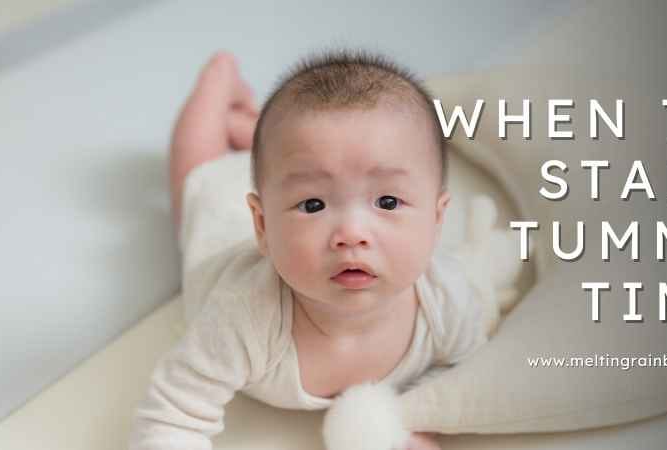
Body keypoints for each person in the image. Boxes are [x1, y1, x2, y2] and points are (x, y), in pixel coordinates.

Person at [129, 50, 494, 450]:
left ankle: (258, 140)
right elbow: (172, 418)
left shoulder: (446, 301)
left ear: (437, 220)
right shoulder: (243, 318)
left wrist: (415, 424)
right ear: (263, 226)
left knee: (310, 157)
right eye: (314, 206)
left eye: (387, 202)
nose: (352, 235)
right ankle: (217, 83)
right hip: (223, 229)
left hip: (285, 182)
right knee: (198, 175)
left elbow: (463, 371)